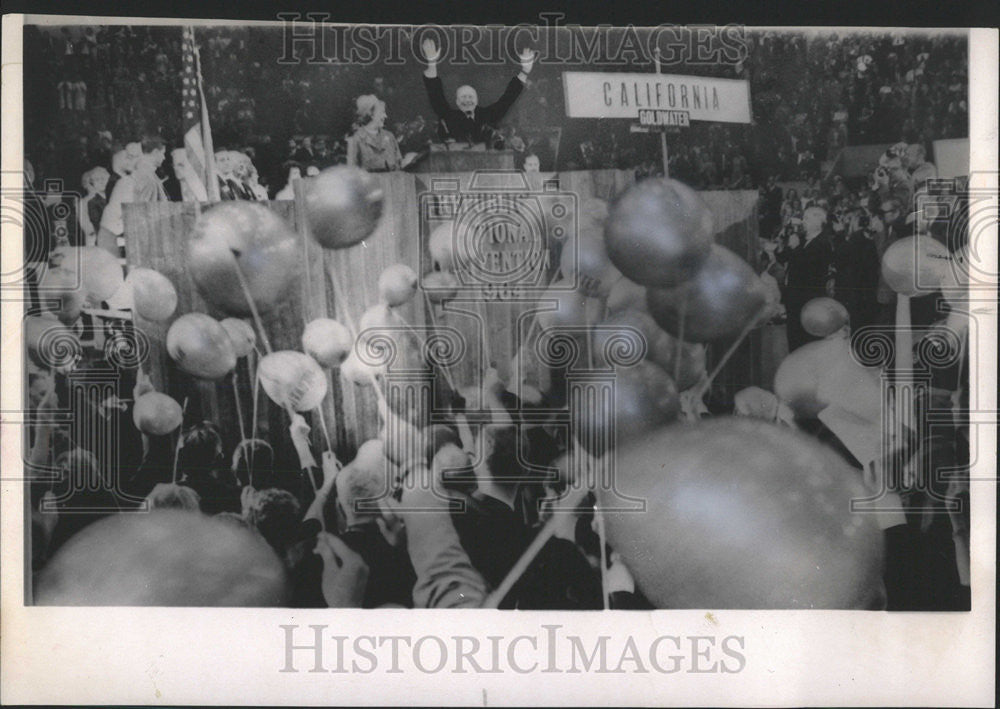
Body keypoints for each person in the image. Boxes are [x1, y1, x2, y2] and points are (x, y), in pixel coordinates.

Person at [421, 37, 535, 146]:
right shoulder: (449, 117)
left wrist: (525, 71)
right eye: (463, 97)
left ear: (476, 100)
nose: (467, 100)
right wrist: (432, 64)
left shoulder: (487, 116)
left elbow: (508, 99)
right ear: (457, 102)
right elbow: (435, 94)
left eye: (470, 97)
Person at [776, 204, 835, 351]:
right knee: (794, 339)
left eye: (807, 218)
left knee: (805, 341)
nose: (803, 222)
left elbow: (808, 268)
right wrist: (782, 243)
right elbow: (783, 258)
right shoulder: (802, 239)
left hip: (807, 300)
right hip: (795, 299)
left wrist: (795, 248)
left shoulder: (823, 243)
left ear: (819, 222)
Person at [97, 135, 167, 258]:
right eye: (130, 157)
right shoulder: (133, 180)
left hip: (119, 236)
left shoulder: (140, 179)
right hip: (116, 237)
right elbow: (139, 214)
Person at [346, 95, 413, 172]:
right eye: (382, 112)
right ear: (371, 114)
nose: (385, 116)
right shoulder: (356, 139)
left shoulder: (389, 136)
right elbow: (352, 172)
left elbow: (399, 165)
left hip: (392, 183)